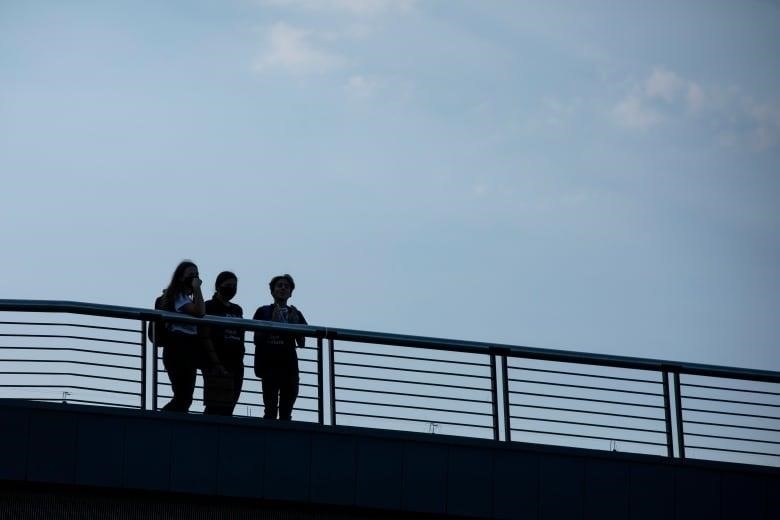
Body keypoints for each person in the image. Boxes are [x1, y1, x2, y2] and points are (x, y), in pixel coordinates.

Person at [160, 260, 224, 412]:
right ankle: (161, 420)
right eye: (191, 275)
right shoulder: (178, 296)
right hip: (178, 348)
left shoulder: (185, 297)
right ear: (181, 277)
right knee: (183, 396)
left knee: (185, 396)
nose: (195, 278)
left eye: (197, 275)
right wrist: (197, 289)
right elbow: (200, 312)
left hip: (188, 349)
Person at [252, 274, 307, 420]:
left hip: (290, 367)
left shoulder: (295, 313)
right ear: (272, 290)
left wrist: (296, 326)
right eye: (279, 285)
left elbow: (302, 343)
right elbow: (256, 339)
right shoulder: (263, 311)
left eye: (286, 286)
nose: (283, 288)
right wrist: (272, 323)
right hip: (269, 366)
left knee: (286, 411)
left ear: (290, 292)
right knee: (270, 410)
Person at [204, 271, 245, 415]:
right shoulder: (209, 306)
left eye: (234, 286)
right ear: (218, 286)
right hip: (216, 361)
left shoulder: (237, 309)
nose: (232, 288)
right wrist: (216, 362)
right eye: (228, 285)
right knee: (216, 402)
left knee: (231, 403)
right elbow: (205, 334)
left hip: (236, 362)